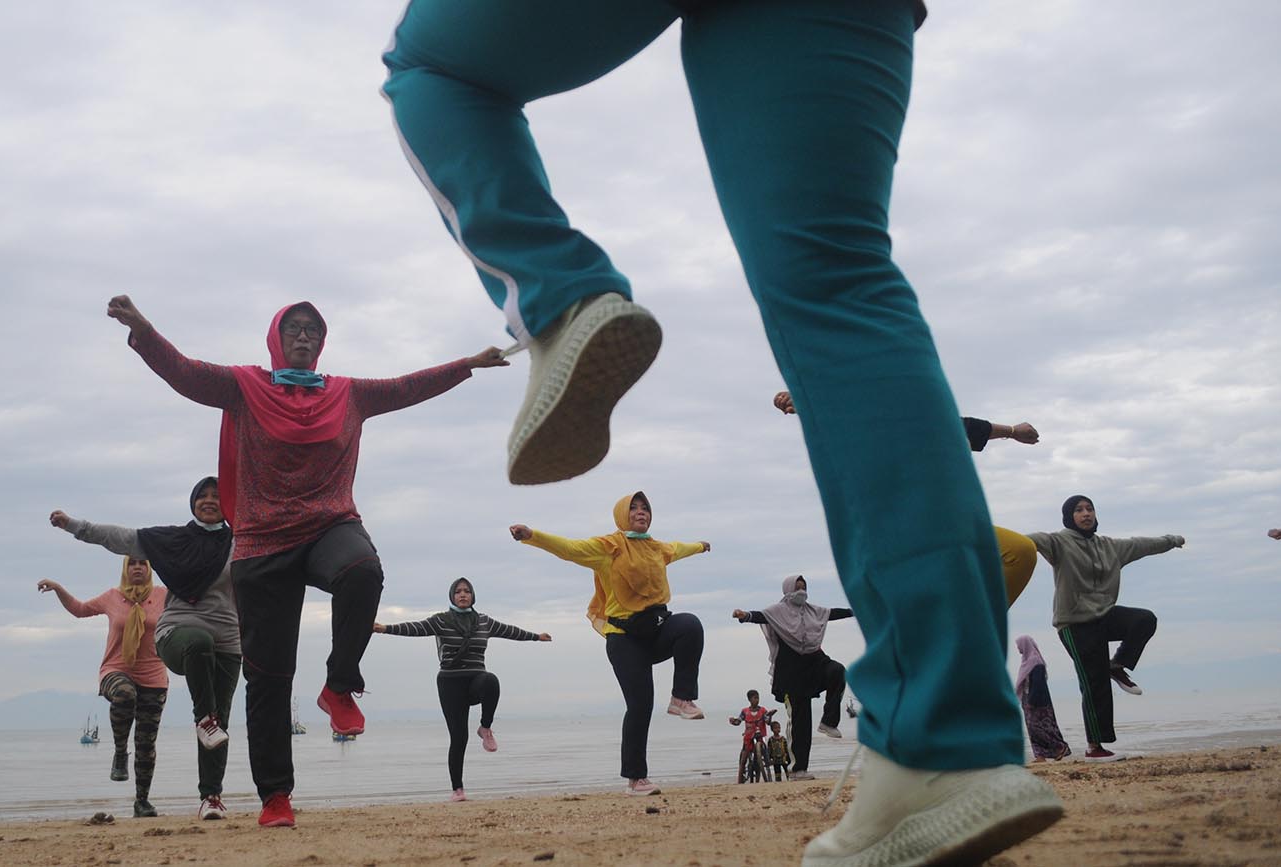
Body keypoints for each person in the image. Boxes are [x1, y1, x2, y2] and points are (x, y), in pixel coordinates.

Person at [384, 2, 1063, 862]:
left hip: (652, 623)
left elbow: (670, 547)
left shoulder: (643, 545)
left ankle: (561, 299)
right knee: (843, 286)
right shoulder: (619, 545)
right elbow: (616, 548)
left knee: (434, 72)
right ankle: (946, 744)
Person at [105, 294, 508, 828]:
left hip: (329, 524)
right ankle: (276, 798)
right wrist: (145, 331)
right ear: (276, 337)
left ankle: (340, 684)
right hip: (261, 542)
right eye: (294, 329)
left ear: (322, 345)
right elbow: (186, 374)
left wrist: (466, 365)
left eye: (314, 332)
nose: (304, 337)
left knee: (363, 571)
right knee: (269, 677)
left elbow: (407, 387)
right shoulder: (244, 386)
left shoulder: (348, 394)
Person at [49, 477, 239, 820]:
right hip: (178, 633)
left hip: (228, 639)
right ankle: (203, 719)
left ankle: (211, 797)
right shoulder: (172, 540)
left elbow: (274, 577)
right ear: (193, 502)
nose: (209, 500)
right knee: (199, 643)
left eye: (217, 495)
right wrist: (75, 526)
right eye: (203, 496)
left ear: (229, 504)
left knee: (220, 725)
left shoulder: (241, 543)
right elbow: (120, 538)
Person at [508, 492, 709, 795]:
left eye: (645, 508)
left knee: (690, 625)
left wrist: (701, 546)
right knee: (640, 706)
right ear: (621, 515)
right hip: (625, 640)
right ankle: (636, 779)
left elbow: (681, 548)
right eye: (634, 508)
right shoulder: (607, 548)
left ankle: (682, 698)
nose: (641, 513)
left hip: (655, 631)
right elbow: (570, 549)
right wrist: (532, 536)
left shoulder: (658, 549)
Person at [775, 390, 1041, 606]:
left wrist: (1013, 431)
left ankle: (980, 626)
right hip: (896, 532)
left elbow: (962, 427)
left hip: (945, 525)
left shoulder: (922, 422)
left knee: (1020, 550)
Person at [1028, 495, 1185, 763]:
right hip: (1075, 623)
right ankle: (1094, 748)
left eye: (1089, 509)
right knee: (1094, 683)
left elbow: (1142, 545)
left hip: (1104, 616)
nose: (1086, 514)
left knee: (1144, 619)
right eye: (1079, 510)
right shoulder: (1059, 542)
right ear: (1069, 517)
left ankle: (1118, 664)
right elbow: (1027, 541)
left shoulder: (1110, 547)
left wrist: (1172, 540)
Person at [373, 577, 552, 802]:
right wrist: (384, 628)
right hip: (450, 683)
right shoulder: (441, 620)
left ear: (473, 596)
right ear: (452, 596)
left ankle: (485, 728)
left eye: (467, 591)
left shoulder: (485, 622)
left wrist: (536, 637)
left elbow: (510, 631)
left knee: (491, 681)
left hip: (476, 679)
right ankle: (458, 790)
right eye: (458, 591)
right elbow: (415, 628)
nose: (463, 594)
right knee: (459, 738)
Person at [37, 557, 168, 818]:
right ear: (125, 569)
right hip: (115, 670)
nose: (138, 568)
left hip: (153, 677)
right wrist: (58, 588)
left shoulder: (165, 595)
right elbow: (79, 609)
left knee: (146, 743)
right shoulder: (113, 596)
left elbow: (192, 603)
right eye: (132, 564)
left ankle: (142, 802)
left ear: (150, 568)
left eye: (142, 563)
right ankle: (120, 753)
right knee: (124, 694)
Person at [732, 576, 852, 781]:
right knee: (800, 721)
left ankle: (828, 721)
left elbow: (832, 614)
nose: (801, 591)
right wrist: (745, 616)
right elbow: (761, 616)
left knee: (838, 671)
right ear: (788, 590)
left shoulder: (813, 611)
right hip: (790, 674)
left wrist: (856, 610)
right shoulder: (777, 612)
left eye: (804, 587)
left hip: (815, 662)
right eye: (797, 588)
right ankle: (798, 770)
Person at [1014, 636, 1070, 763]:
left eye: (1019, 645)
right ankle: (1040, 756)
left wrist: (1033, 701)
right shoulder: (1026, 661)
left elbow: (1039, 684)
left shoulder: (1036, 663)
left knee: (1043, 728)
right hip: (1028, 700)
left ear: (1025, 644)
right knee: (1032, 729)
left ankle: (1060, 747)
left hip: (1038, 702)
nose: (1018, 648)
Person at [728, 689, 776, 784]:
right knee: (744, 758)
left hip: (760, 735)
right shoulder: (745, 711)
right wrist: (733, 721)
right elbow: (739, 721)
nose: (757, 700)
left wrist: (770, 715)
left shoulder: (763, 711)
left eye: (758, 698)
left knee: (764, 750)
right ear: (750, 700)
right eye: (755, 698)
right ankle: (740, 779)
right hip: (749, 737)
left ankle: (767, 763)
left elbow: (768, 722)